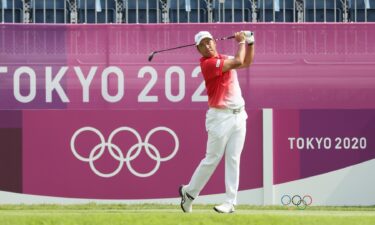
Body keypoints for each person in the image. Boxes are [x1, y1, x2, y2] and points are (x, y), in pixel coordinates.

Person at [179, 30, 255, 214]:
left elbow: (246, 63)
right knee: (212, 159)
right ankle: (189, 193)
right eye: (203, 44)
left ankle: (230, 202)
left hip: (239, 115)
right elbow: (238, 61)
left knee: (233, 159)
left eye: (209, 42)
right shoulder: (208, 64)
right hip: (220, 118)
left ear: (215, 41)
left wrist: (250, 43)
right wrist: (240, 42)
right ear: (198, 49)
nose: (208, 46)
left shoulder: (223, 57)